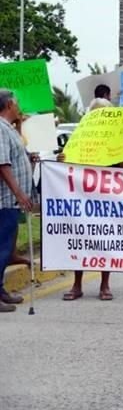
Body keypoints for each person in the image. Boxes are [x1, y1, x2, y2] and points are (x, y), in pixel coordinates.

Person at [63, 97, 123, 301]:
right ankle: (76, 285)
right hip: (82, 195)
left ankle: (105, 285)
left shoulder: (121, 136)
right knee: (79, 239)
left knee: (105, 240)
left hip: (106, 197)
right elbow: (68, 161)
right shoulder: (81, 134)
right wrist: (61, 160)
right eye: (97, 112)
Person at [0, 89, 35, 312]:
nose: (19, 106)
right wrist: (19, 194)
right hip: (4, 201)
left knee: (5, 247)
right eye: (17, 102)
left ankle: (0, 289)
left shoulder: (8, 128)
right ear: (10, 104)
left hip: (10, 202)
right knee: (1, 247)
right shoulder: (0, 129)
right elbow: (2, 164)